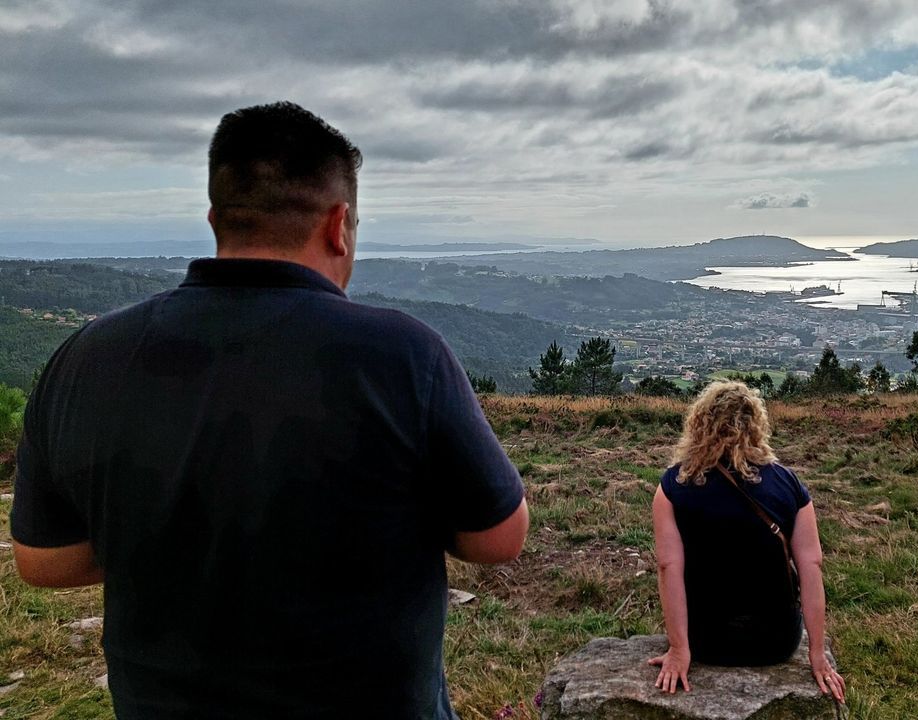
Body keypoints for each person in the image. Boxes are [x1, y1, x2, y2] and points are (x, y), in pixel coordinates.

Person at [9, 101, 528, 720]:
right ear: (339, 224)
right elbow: (499, 537)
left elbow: (43, 561)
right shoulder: (402, 355)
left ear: (215, 219)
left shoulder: (86, 356)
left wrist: (173, 539)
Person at [648, 381, 845, 702]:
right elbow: (812, 566)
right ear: (757, 426)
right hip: (777, 642)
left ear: (699, 424)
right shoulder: (789, 484)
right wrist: (818, 655)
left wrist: (679, 650)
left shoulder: (673, 485)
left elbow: (668, 566)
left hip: (705, 641)